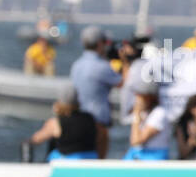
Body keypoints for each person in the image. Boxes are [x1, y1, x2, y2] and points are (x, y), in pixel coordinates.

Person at [70, 26, 123, 159]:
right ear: (100, 44)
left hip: (79, 121)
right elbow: (123, 83)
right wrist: (125, 62)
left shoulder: (77, 65)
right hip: (98, 123)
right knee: (98, 161)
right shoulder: (102, 67)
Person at [29, 89, 98, 160]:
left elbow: (37, 139)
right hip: (90, 159)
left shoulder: (56, 122)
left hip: (65, 161)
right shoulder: (89, 118)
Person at [124, 77, 172, 160]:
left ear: (149, 97)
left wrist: (136, 112)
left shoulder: (159, 113)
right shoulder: (144, 113)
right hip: (140, 157)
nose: (136, 99)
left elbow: (135, 141)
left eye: (140, 96)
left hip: (154, 159)